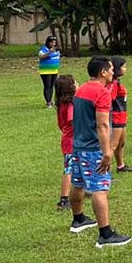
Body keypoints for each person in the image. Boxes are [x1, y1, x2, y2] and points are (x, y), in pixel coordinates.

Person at [68, 55, 132, 248]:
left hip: (77, 147)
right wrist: (107, 152)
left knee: (78, 183)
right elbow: (103, 124)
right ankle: (105, 234)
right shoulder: (101, 92)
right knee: (100, 188)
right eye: (111, 69)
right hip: (93, 149)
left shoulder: (80, 90)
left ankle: (78, 220)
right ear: (103, 72)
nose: (114, 72)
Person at [109, 57, 132, 173]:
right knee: (112, 146)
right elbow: (109, 99)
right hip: (116, 118)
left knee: (121, 143)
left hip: (122, 117)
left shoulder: (117, 82)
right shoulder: (114, 84)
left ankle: (121, 166)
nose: (126, 69)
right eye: (123, 66)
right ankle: (105, 172)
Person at [54, 75, 77, 211]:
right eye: (74, 82)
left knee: (75, 167)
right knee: (68, 169)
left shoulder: (61, 103)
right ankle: (64, 199)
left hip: (67, 139)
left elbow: (61, 124)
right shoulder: (70, 105)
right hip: (71, 141)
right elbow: (73, 121)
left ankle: (82, 189)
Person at [38, 35, 61, 108]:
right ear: (48, 42)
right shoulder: (43, 49)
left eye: (54, 42)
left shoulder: (56, 49)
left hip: (54, 70)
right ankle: (48, 102)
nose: (53, 44)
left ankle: (51, 100)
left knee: (52, 86)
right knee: (47, 85)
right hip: (46, 71)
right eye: (51, 42)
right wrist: (49, 52)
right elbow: (41, 57)